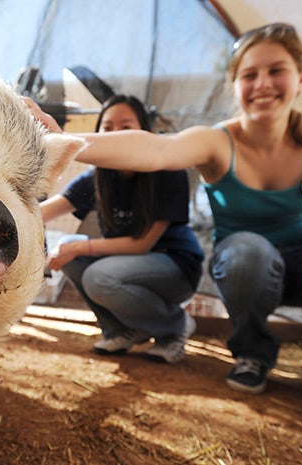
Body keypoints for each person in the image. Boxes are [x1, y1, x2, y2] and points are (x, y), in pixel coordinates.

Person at [28, 23, 302, 400]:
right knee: (247, 252)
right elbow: (157, 149)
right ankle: (253, 351)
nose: (263, 84)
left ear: (300, 79)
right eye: (250, 75)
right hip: (244, 267)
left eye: (277, 71)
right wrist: (61, 139)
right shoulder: (218, 142)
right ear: (235, 87)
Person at [40, 94, 204, 364]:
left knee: (97, 274)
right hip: (125, 264)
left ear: (145, 131)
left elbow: (141, 245)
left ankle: (175, 326)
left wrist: (80, 246)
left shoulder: (168, 171)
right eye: (107, 129)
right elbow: (43, 212)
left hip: (175, 266)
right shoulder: (97, 177)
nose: (116, 136)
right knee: (70, 248)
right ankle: (120, 330)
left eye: (126, 128)